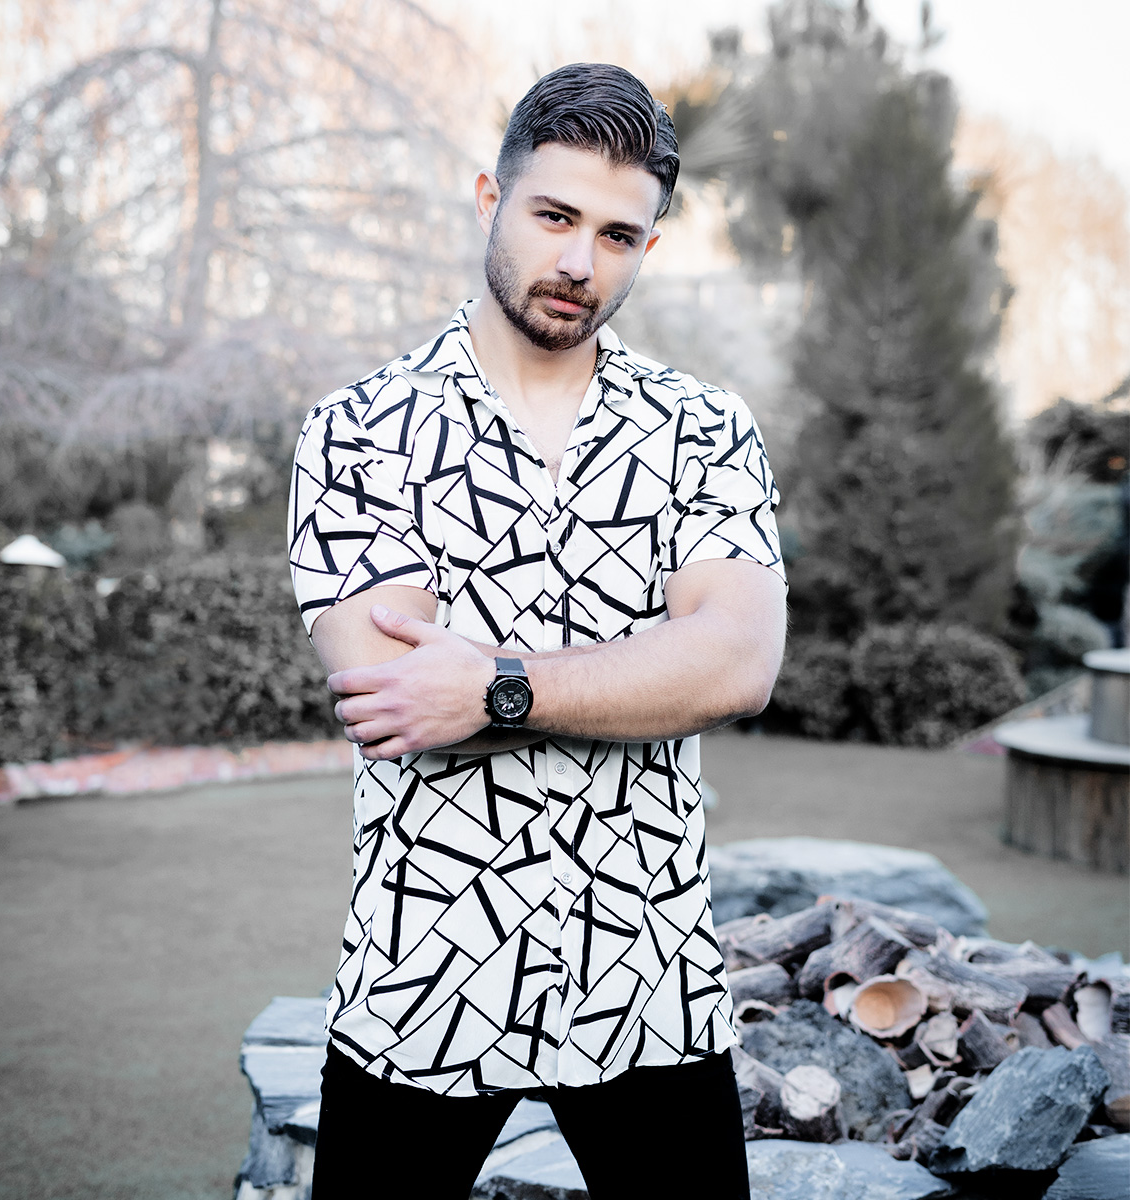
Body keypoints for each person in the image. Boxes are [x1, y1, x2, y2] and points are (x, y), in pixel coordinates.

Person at [288, 61, 786, 1200]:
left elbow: (737, 662)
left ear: (649, 246)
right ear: (490, 199)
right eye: (554, 216)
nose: (580, 263)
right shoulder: (360, 432)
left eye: (618, 235)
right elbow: (397, 697)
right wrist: (640, 672)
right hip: (425, 970)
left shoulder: (704, 430)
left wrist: (497, 685)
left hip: (646, 976)